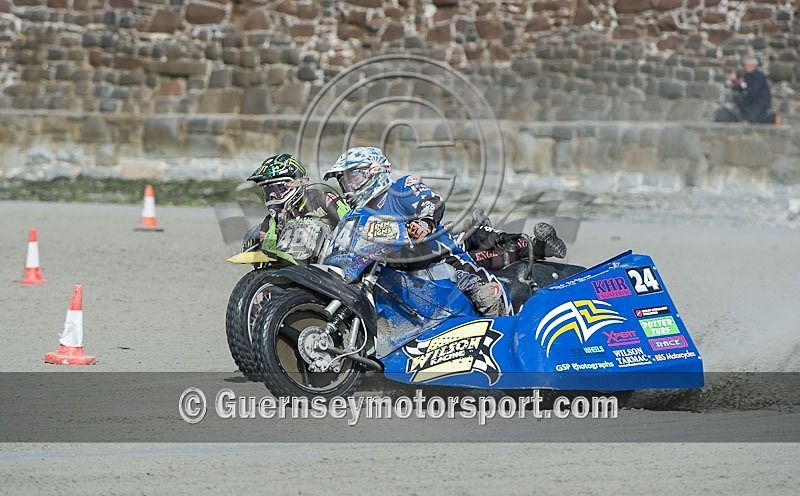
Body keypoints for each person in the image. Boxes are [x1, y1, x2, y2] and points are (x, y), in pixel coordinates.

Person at [323, 147, 565, 317]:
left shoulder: (401, 188)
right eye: (344, 180)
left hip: (443, 262)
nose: (348, 186)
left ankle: (509, 348)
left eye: (353, 177)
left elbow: (431, 201)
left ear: (374, 172)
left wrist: (425, 222)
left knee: (487, 296)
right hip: (397, 276)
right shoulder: (356, 215)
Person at [247, 153, 349, 253]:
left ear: (298, 183)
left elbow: (354, 226)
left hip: (330, 262)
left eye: (278, 189)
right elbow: (268, 256)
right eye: (267, 191)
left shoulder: (324, 200)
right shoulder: (271, 220)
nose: (272, 196)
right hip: (291, 268)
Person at [715, 57, 777, 124]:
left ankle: (773, 118)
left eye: (749, 65)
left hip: (760, 101)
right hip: (750, 100)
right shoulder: (747, 75)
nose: (746, 67)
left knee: (754, 118)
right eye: (746, 65)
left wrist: (742, 84)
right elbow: (741, 88)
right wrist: (735, 82)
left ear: (754, 66)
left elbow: (752, 89)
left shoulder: (759, 76)